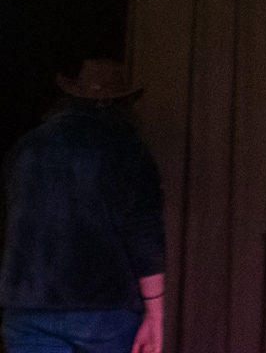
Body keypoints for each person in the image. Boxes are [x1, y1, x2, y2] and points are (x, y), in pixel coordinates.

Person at [0, 58, 166, 353]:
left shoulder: (28, 145)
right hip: (103, 306)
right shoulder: (129, 149)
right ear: (121, 103)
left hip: (27, 303)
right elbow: (145, 235)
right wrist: (155, 314)